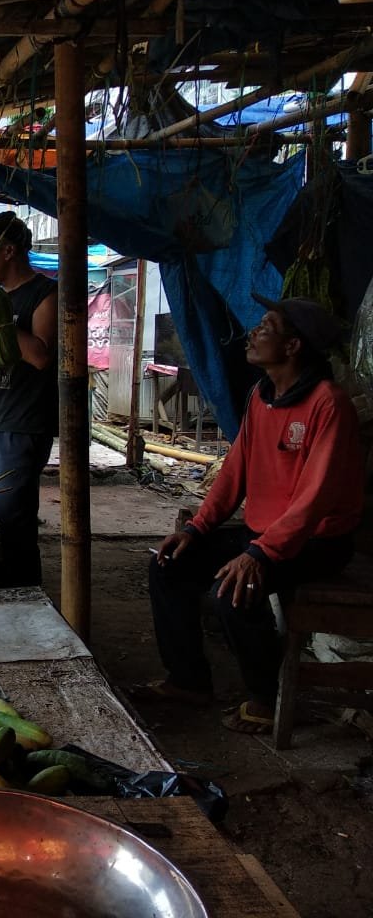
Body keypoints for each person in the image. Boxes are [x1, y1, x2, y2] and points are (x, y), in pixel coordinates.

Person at [140, 295, 361, 735]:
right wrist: (197, 527)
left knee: (235, 588)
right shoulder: (262, 397)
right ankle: (189, 681)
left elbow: (312, 499)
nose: (253, 334)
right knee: (168, 565)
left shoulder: (328, 404)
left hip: (317, 540)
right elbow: (234, 472)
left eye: (266, 326)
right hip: (265, 534)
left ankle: (268, 698)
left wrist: (259, 553)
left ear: (294, 346)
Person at [0, 211, 58, 587]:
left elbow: (41, 355)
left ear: (8, 251)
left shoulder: (44, 292)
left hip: (22, 425)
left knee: (14, 522)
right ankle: (2, 592)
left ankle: (25, 599)